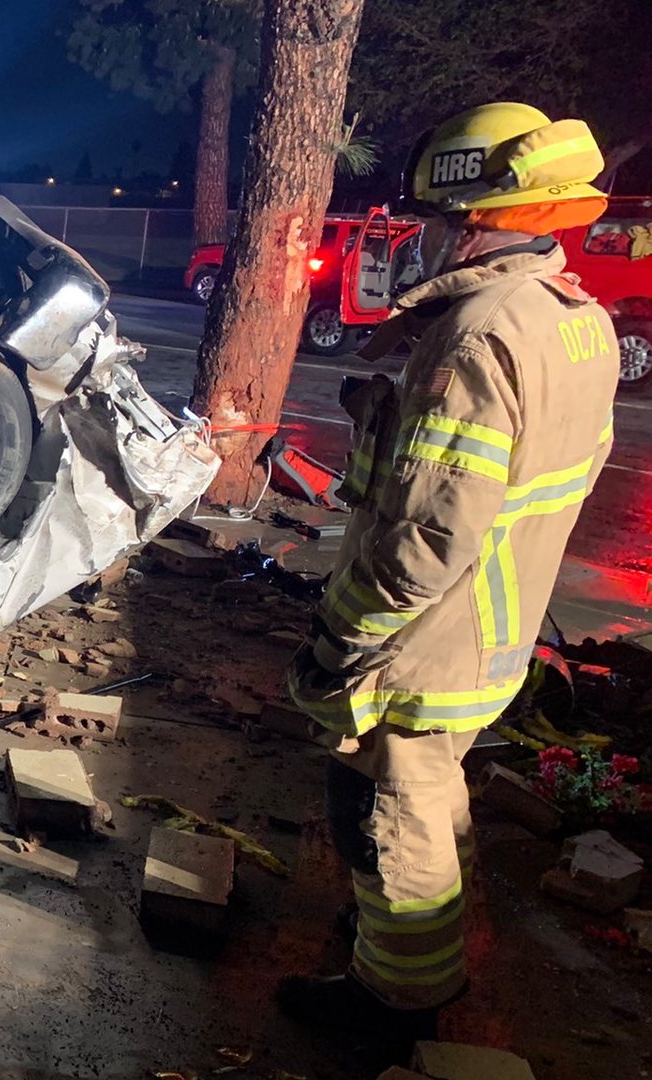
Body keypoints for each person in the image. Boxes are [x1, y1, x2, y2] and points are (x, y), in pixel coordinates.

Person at [281, 103, 617, 1046]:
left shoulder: (475, 335)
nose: (426, 237)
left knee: (391, 815)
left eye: (437, 218)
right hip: (495, 627)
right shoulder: (574, 318)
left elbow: (428, 533)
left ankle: (394, 1004)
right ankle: (396, 946)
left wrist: (340, 639)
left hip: (428, 641)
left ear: (477, 221)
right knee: (432, 798)